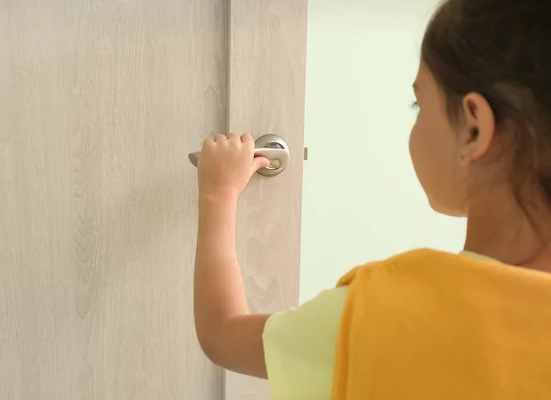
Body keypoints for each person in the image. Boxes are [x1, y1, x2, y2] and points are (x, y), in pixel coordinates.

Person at [193, 0, 551, 398]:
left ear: (473, 128)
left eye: (419, 103)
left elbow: (221, 332)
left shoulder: (381, 316)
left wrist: (217, 194)